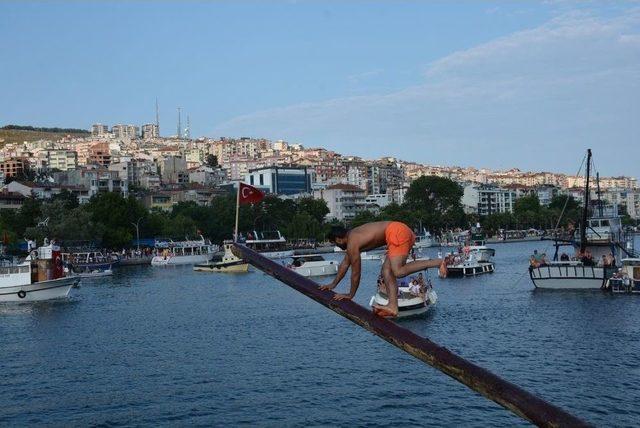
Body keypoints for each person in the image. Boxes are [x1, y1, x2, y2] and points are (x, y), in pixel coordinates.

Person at [320, 222, 445, 318]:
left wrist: (350, 295)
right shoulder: (353, 238)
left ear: (338, 239)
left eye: (336, 244)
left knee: (398, 271)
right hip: (398, 231)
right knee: (386, 271)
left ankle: (438, 262)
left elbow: (356, 273)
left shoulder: (353, 242)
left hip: (397, 232)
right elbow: (344, 264)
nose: (338, 246)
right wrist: (333, 284)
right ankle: (393, 307)